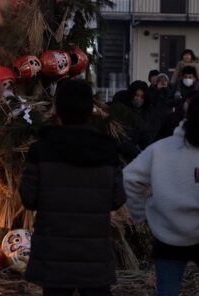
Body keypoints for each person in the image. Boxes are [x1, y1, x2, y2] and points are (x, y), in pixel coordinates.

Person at [19, 79, 126, 296]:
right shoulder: (107, 150)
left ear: (57, 109)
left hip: (53, 251)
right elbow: (117, 198)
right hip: (94, 251)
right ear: (90, 110)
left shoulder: (41, 150)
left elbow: (28, 199)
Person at [123, 94, 199, 296]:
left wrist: (140, 214)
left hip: (167, 233)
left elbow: (130, 178)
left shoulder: (160, 149)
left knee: (167, 291)